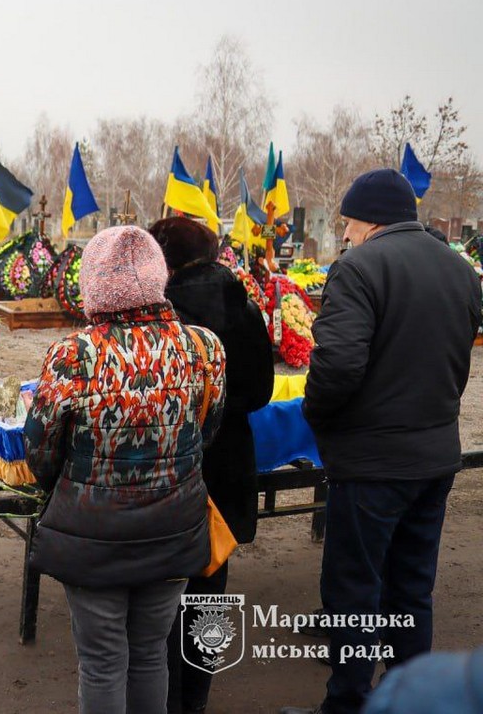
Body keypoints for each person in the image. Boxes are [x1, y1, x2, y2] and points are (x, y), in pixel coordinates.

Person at [280, 169, 483, 714]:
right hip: (436, 456)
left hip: (372, 465)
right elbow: (455, 361)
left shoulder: (359, 267)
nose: (344, 234)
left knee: (355, 593)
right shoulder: (461, 271)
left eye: (347, 223)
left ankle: (348, 704)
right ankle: (410, 700)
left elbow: (338, 364)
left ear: (370, 220)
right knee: (412, 588)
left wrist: (316, 416)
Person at [24, 225, 226, 714]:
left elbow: (41, 449)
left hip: (93, 532)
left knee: (101, 661)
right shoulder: (204, 348)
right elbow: (206, 433)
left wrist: (74, 485)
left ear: (93, 283)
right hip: (175, 526)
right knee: (152, 653)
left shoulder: (73, 354)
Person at [149, 217, 275, 714]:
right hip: (226, 465)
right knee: (210, 588)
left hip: (171, 467)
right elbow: (261, 392)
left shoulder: (158, 316)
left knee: (159, 595)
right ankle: (196, 699)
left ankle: (163, 698)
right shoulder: (244, 308)